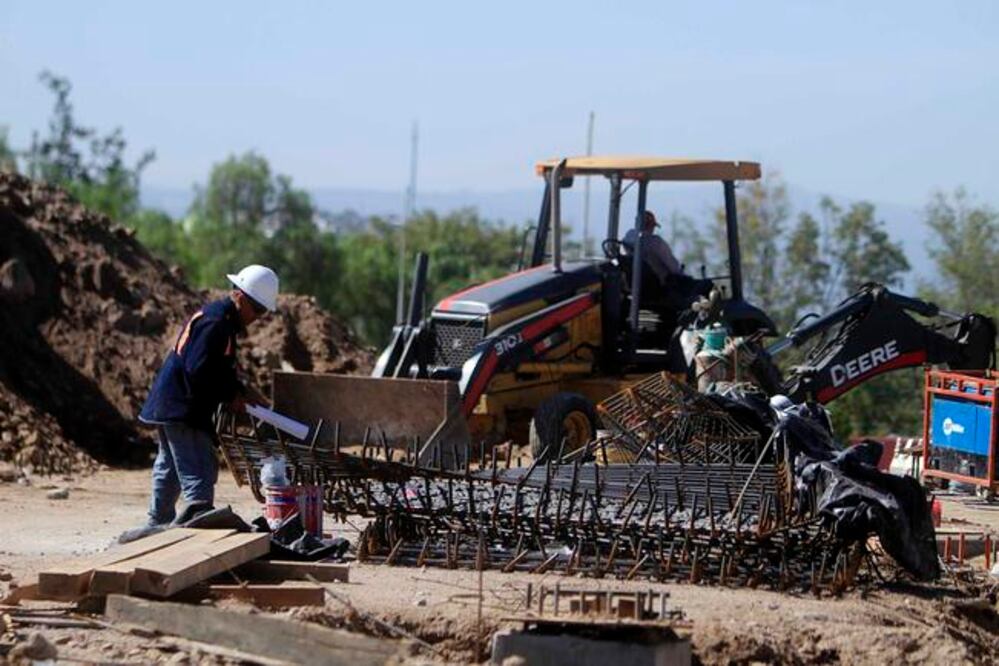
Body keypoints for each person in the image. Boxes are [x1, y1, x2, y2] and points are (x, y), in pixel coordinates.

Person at [137, 264, 279, 527]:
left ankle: (156, 526)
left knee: (169, 469)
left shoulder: (220, 320)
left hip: (173, 403)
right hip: (184, 407)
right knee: (198, 469)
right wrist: (230, 396)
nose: (257, 317)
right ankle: (198, 527)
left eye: (262, 312)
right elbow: (198, 369)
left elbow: (218, 367)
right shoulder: (216, 324)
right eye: (256, 309)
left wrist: (240, 391)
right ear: (238, 295)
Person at [622, 211, 684, 282]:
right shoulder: (655, 243)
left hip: (632, 282)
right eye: (653, 226)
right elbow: (673, 267)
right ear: (650, 226)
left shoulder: (627, 239)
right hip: (656, 286)